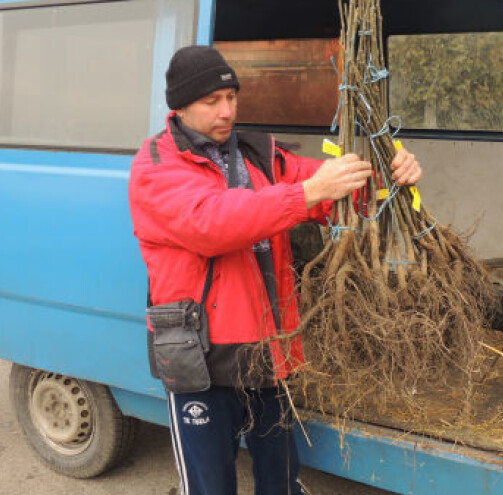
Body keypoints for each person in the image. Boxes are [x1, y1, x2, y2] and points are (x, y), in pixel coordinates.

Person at [128, 45, 421, 495]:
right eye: (211, 102)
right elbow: (212, 223)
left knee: (281, 480)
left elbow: (333, 194)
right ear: (181, 106)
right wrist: (304, 193)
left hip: (270, 349)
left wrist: (388, 177)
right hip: (202, 355)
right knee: (210, 486)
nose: (226, 111)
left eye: (232, 98)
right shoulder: (156, 166)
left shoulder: (261, 155)